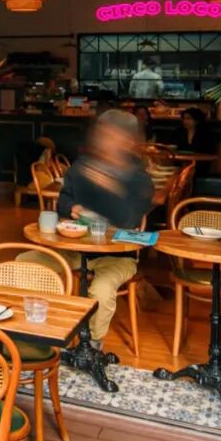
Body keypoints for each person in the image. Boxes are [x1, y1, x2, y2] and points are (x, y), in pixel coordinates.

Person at [25, 108, 154, 353]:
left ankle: (91, 347)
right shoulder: (83, 167)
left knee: (101, 290)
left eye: (113, 136)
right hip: (75, 248)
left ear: (128, 141)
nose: (105, 141)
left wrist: (110, 186)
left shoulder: (138, 179)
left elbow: (128, 219)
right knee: (26, 263)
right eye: (103, 134)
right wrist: (71, 208)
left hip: (116, 255)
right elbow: (63, 199)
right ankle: (39, 335)